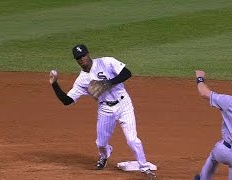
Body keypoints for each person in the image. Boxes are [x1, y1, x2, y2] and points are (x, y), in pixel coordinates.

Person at [49, 44, 156, 178]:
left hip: (124, 104)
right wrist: (54, 84)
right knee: (101, 143)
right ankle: (104, 155)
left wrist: (108, 83)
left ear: (88, 54)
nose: (82, 59)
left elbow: (127, 73)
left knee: (132, 140)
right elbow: (67, 101)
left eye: (83, 56)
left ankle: (145, 168)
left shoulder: (106, 62)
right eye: (79, 58)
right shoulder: (81, 80)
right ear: (76, 60)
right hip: (105, 109)